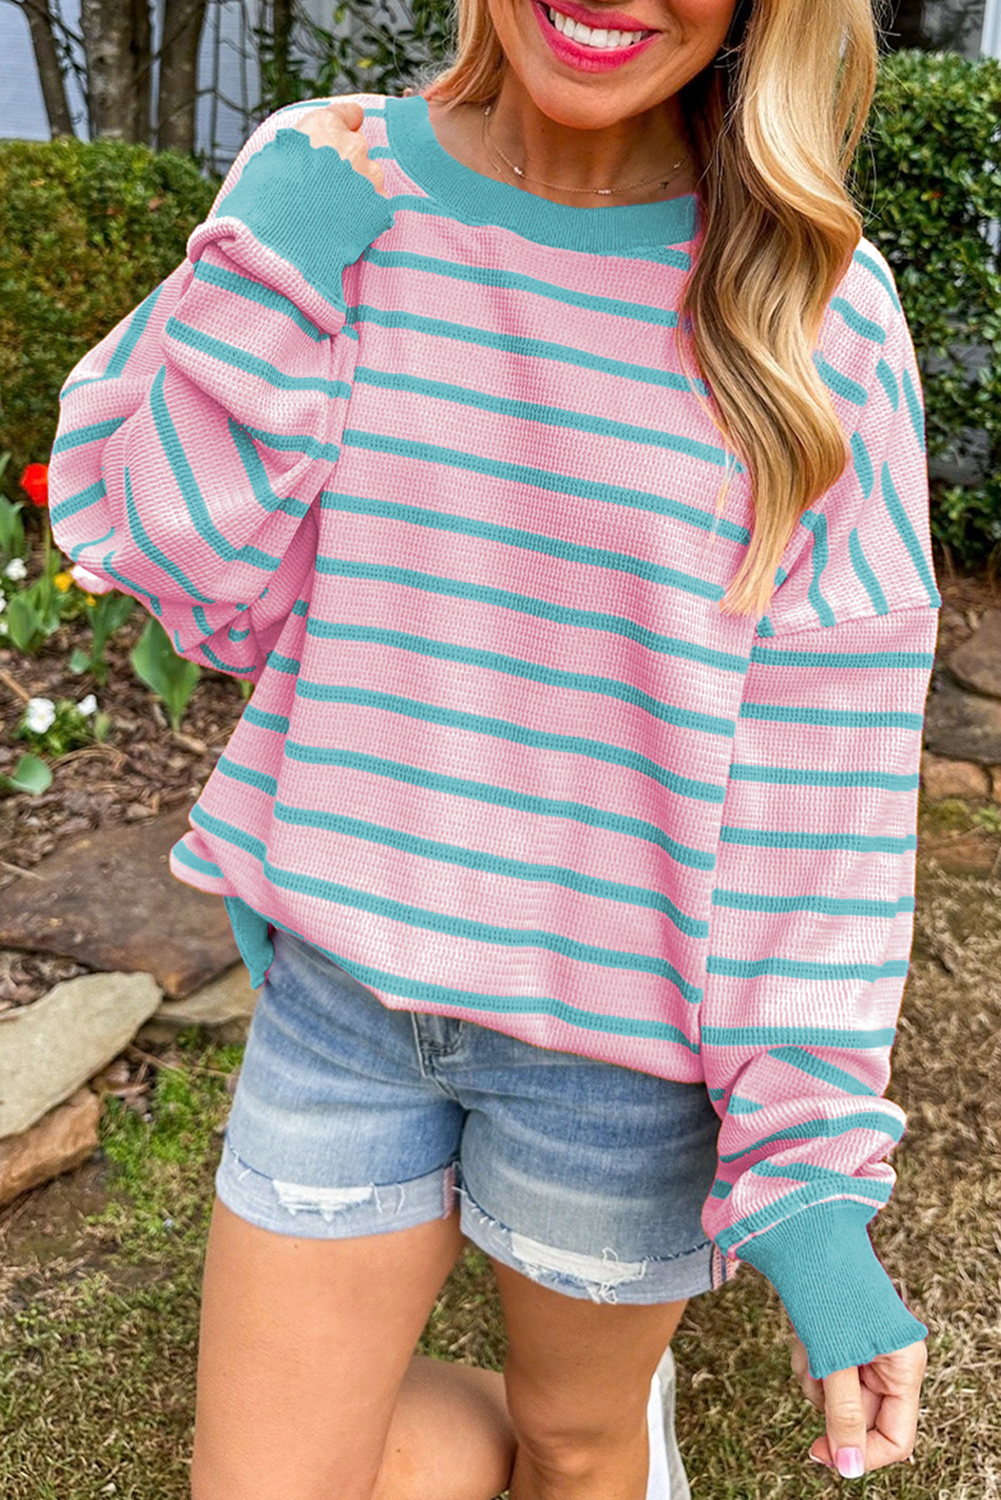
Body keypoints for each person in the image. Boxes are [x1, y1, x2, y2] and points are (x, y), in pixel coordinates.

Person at [47, 0, 939, 1495]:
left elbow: (822, 794)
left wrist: (809, 1184)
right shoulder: (328, 178)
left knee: (576, 1445)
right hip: (343, 1001)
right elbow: (175, 559)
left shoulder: (818, 309)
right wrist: (275, 266)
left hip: (625, 1057)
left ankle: (611, 1433)